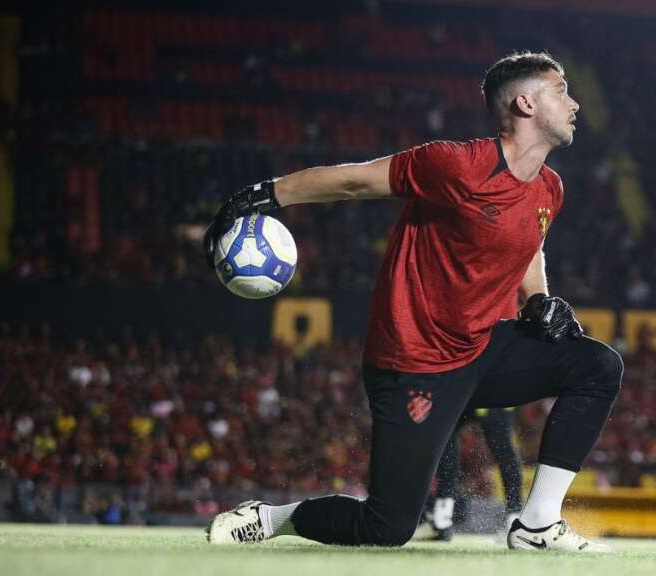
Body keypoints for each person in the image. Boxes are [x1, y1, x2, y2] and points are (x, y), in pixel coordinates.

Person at [203, 51, 622, 552]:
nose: (574, 103)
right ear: (525, 102)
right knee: (386, 528)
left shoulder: (550, 188)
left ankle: (535, 524)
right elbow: (356, 180)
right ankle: (275, 518)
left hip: (483, 347)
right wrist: (267, 194)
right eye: (562, 90)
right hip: (413, 363)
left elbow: (529, 243)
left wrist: (538, 301)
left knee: (597, 365)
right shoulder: (456, 164)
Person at [412, 407, 523, 542]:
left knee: (502, 445)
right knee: (445, 435)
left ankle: (514, 520)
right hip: (463, 389)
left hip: (491, 391)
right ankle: (441, 520)